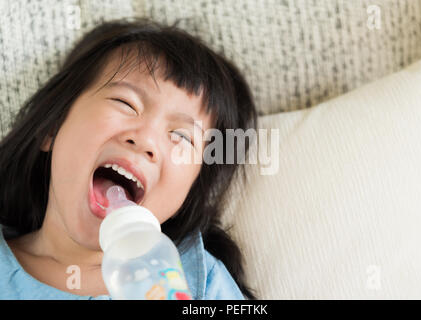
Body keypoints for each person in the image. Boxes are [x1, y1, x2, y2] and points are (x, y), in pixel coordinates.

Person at [0, 19, 258, 300]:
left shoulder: (202, 281)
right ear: (51, 127)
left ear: (189, 193)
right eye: (125, 103)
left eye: (183, 137)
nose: (146, 140)